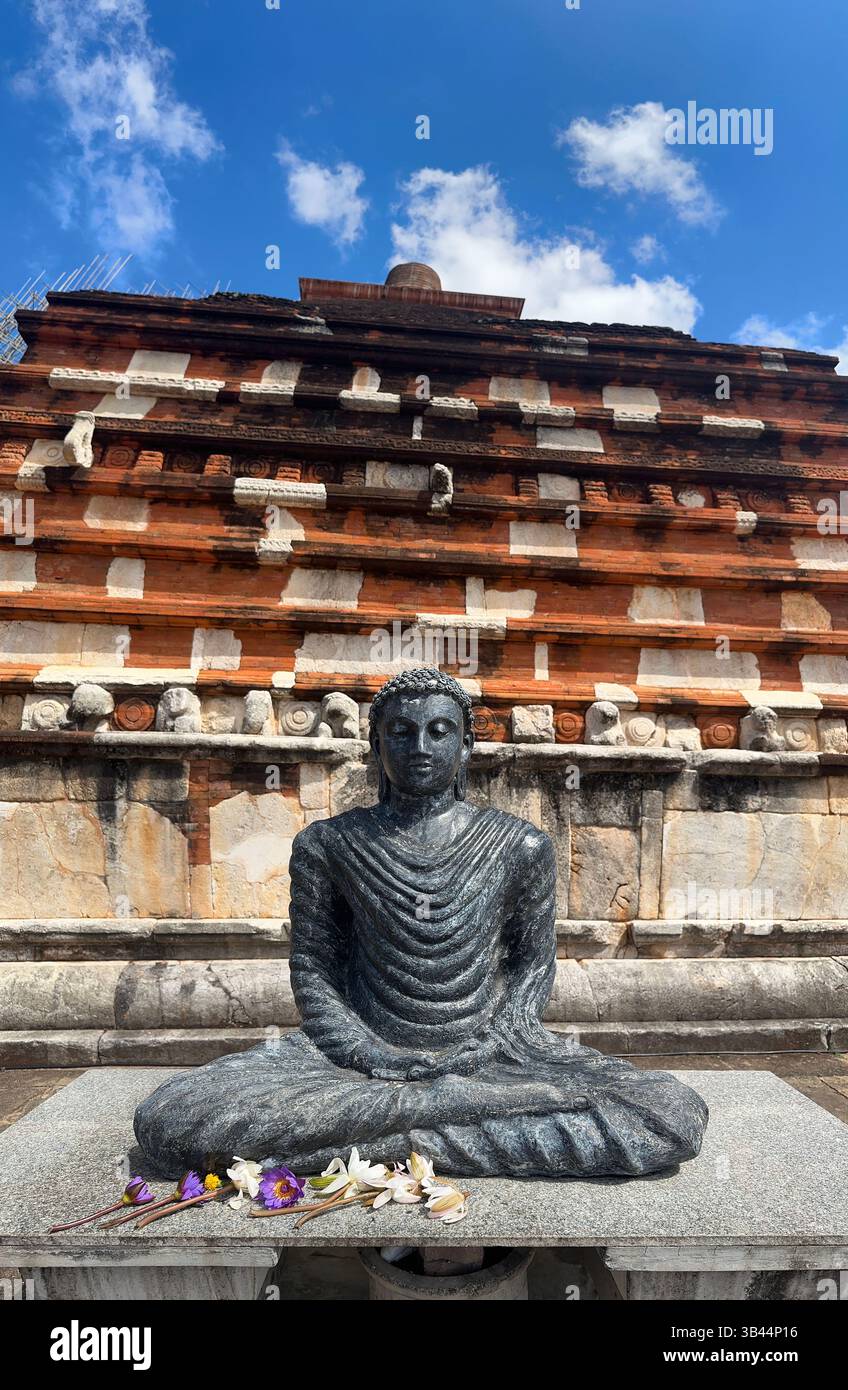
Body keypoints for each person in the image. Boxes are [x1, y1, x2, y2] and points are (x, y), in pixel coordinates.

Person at [135, 668, 707, 1177]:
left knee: (669, 1116)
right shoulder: (329, 844)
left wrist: (489, 1044)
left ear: (465, 747)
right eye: (401, 733)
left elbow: (532, 965)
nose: (420, 746)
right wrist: (370, 1054)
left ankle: (382, 1141)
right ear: (376, 746)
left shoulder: (520, 845)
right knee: (171, 1118)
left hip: (494, 1054)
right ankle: (445, 1124)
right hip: (352, 1057)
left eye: (439, 731)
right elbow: (314, 968)